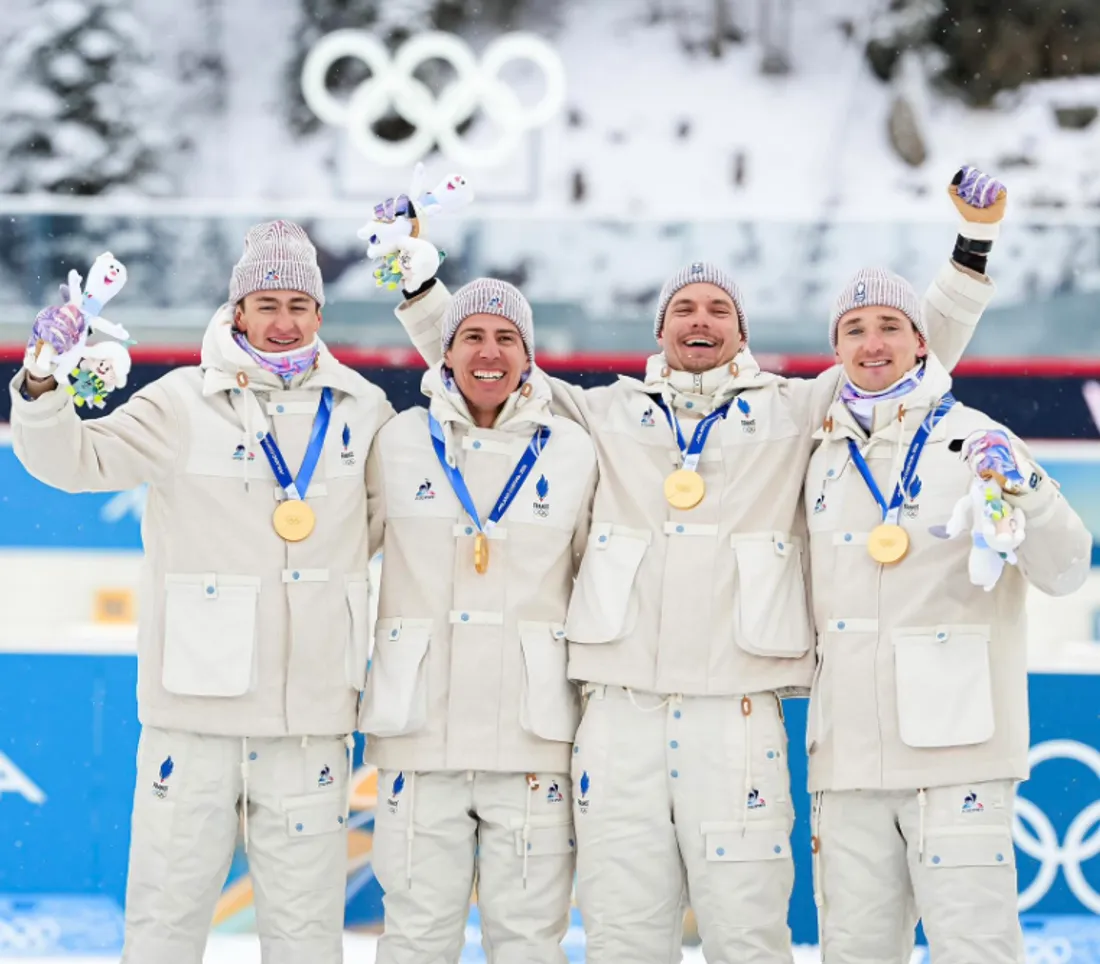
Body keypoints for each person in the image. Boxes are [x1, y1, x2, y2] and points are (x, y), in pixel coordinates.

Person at [380, 166, 1004, 962]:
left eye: (717, 309)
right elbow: (485, 366)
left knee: (747, 935)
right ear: (660, 332)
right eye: (683, 308)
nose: (699, 320)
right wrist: (417, 281)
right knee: (621, 936)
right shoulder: (603, 413)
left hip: (737, 716)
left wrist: (971, 250)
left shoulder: (793, 410)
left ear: (741, 334)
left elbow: (902, 365)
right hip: (618, 715)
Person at [10, 220, 393, 964]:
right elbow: (71, 460)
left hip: (311, 719)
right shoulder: (182, 403)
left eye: (298, 305)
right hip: (194, 721)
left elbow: (383, 528)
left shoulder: (362, 410)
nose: (283, 323)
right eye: (266, 304)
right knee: (165, 927)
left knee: (308, 938)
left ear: (319, 315)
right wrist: (42, 381)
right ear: (237, 311)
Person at [803, 266, 1090, 963]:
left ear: (922, 342)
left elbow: (1067, 568)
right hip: (848, 765)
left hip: (957, 759)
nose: (873, 343)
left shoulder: (979, 440)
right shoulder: (815, 453)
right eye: (855, 329)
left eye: (890, 326)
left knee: (976, 949)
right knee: (853, 953)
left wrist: (1028, 491)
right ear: (836, 348)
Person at [360, 278, 598, 963]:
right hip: (417, 737)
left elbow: (600, 580)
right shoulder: (398, 440)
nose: (488, 353)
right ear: (446, 350)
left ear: (529, 356)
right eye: (471, 336)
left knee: (527, 942)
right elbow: (340, 550)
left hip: (533, 737)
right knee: (414, 941)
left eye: (506, 338)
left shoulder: (573, 449)